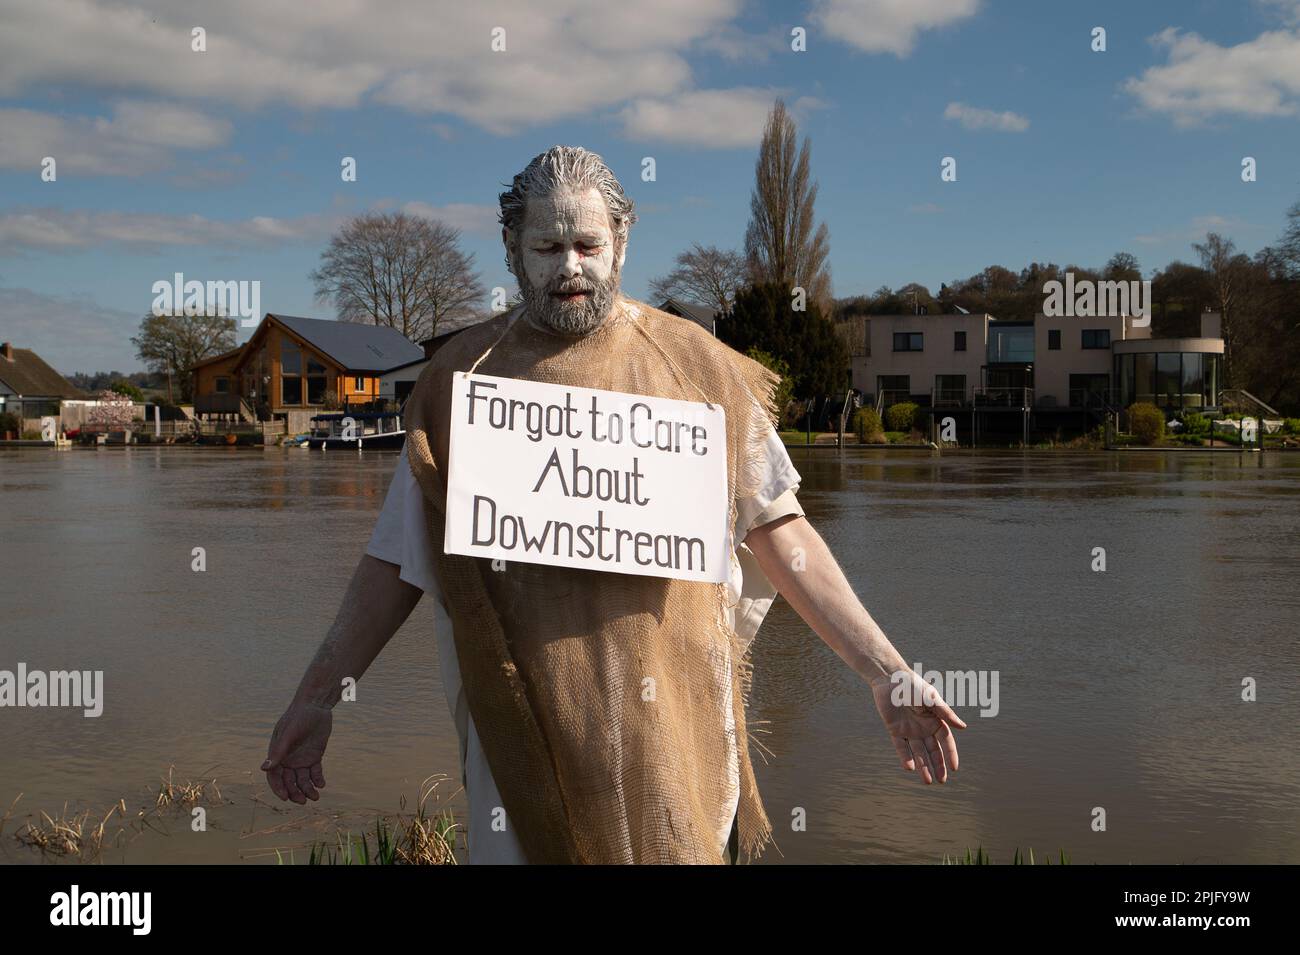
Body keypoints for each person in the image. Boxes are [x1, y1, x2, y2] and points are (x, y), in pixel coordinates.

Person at [264, 146, 965, 864]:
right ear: (512, 250)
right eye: (547, 245)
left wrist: (887, 669)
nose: (570, 266)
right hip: (520, 739)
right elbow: (395, 563)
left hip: (678, 736)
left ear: (621, 242)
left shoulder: (696, 369)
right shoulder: (460, 382)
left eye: (588, 244)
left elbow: (781, 533)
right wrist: (317, 696)